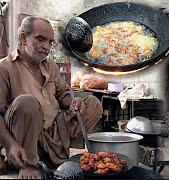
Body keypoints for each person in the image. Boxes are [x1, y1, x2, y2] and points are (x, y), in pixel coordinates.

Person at [0, 16, 103, 179]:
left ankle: (57, 154)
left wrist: (74, 101)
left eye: (50, 42)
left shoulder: (50, 65)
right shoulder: (4, 67)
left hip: (55, 133)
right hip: (24, 137)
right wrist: (10, 145)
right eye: (40, 39)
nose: (46, 47)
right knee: (27, 102)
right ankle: (28, 164)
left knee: (92, 103)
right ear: (23, 37)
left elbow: (62, 93)